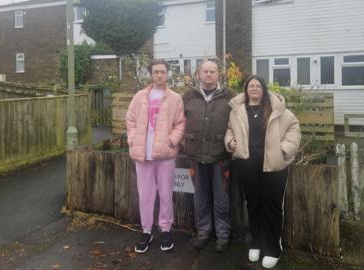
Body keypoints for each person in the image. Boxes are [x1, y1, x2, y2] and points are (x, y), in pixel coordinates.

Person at [224, 75, 301, 268]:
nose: (255, 88)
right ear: (246, 89)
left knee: (273, 208)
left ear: (264, 89)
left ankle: (273, 247)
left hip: (274, 168)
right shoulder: (237, 110)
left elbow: (294, 128)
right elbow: (229, 129)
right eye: (251, 85)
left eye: (258, 85)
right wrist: (230, 142)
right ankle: (257, 242)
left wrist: (284, 149)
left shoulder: (278, 109)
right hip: (247, 167)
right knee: (253, 205)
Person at [126, 59, 186, 253]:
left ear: (167, 74)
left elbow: (181, 123)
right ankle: (146, 230)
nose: (159, 75)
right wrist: (133, 139)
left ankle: (166, 229)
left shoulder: (176, 98)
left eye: (162, 72)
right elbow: (130, 120)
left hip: (166, 155)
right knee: (145, 195)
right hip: (143, 154)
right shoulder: (140, 96)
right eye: (156, 72)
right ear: (150, 74)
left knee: (166, 194)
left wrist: (172, 140)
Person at [182, 61, 235, 252]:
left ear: (218, 75)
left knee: (222, 199)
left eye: (212, 72)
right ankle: (203, 233)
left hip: (220, 156)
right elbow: (178, 121)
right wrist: (183, 142)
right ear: (199, 74)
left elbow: (242, 119)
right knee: (200, 198)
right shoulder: (188, 96)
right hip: (195, 156)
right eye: (205, 71)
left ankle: (222, 235)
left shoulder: (230, 97)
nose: (209, 75)